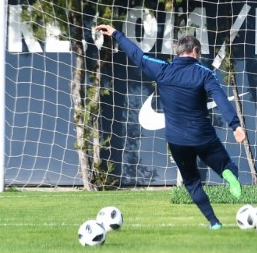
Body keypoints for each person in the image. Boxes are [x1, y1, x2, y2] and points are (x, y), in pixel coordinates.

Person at [95, 24, 246, 230]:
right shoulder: (204, 74)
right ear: (194, 52)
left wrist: (116, 34)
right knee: (228, 167)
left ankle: (214, 223)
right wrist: (235, 125)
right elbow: (221, 99)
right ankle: (228, 176)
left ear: (179, 52)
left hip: (177, 140)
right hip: (203, 136)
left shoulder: (163, 69)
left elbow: (137, 55)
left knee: (192, 183)